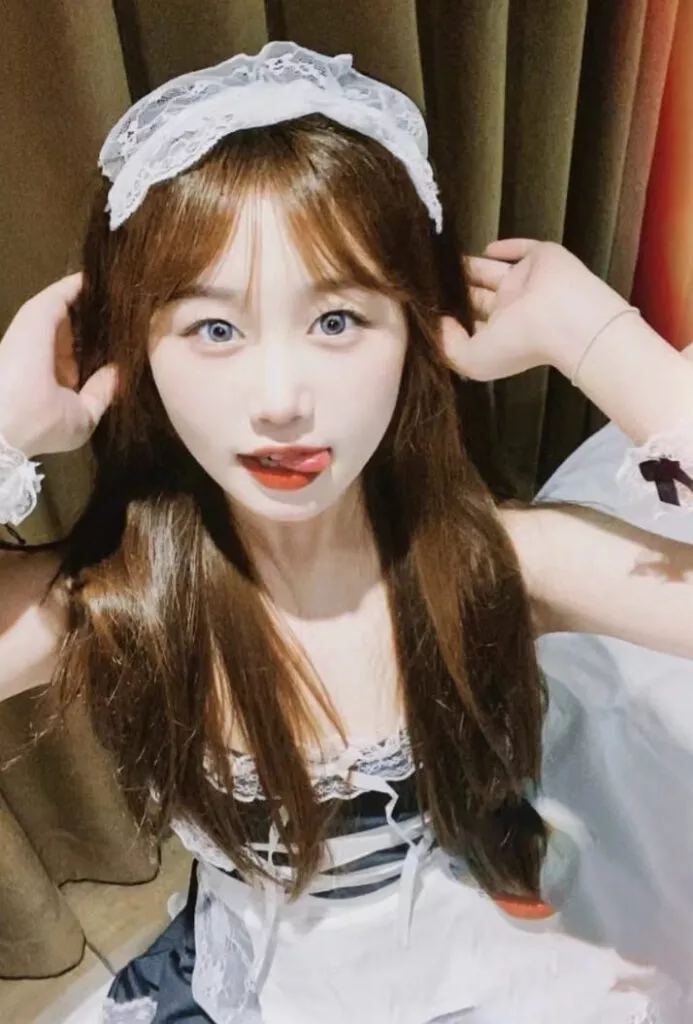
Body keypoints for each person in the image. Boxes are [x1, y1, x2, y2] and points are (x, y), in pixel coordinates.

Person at [0, 41, 690, 1024]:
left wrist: (600, 340)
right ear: (134, 351)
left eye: (336, 320)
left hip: (496, 967)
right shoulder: (118, 601)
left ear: (416, 330)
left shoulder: (492, 562)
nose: (282, 400)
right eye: (213, 328)